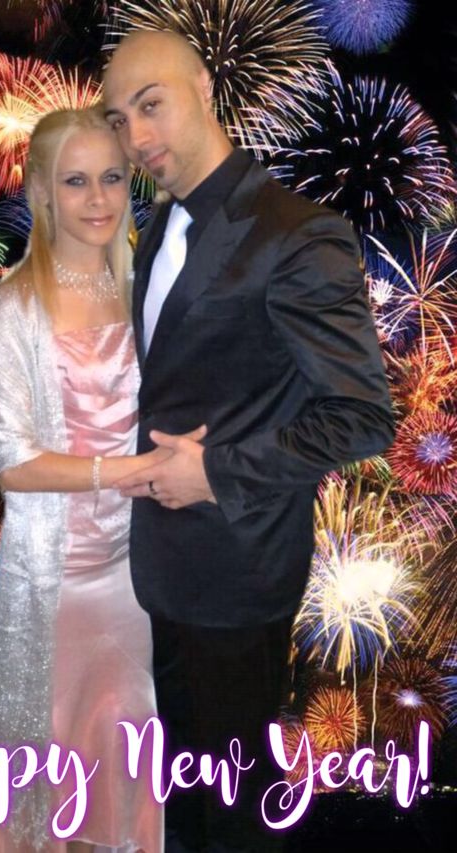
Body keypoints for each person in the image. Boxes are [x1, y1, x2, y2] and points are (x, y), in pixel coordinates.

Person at [102, 29, 396, 853]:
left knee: (236, 820)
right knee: (181, 807)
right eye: (119, 120)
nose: (137, 137)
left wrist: (216, 473)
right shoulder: (160, 224)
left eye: (151, 105)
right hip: (159, 569)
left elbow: (362, 415)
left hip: (238, 575)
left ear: (204, 86)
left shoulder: (297, 233)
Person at [0, 105, 172, 853]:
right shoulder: (15, 306)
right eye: (75, 181)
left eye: (111, 178)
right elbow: (13, 462)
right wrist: (131, 471)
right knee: (44, 780)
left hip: (132, 581)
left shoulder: (144, 292)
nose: (97, 198)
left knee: (121, 761)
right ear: (42, 193)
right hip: (52, 585)